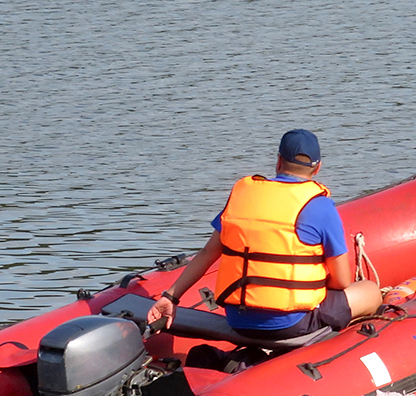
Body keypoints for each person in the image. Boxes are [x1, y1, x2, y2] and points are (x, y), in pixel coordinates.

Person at [147, 129, 380, 341]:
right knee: (369, 291)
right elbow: (341, 281)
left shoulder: (242, 195)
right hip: (291, 323)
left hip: (237, 320)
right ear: (317, 168)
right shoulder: (320, 206)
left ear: (278, 161)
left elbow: (208, 253)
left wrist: (171, 297)